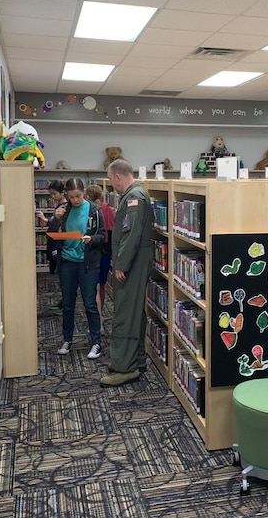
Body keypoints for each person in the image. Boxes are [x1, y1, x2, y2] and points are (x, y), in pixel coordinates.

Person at [100, 159, 152, 387]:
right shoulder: (133, 195)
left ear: (118, 177)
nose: (111, 184)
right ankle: (135, 359)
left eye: (111, 180)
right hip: (135, 262)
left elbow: (131, 235)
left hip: (132, 264)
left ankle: (125, 368)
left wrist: (121, 264)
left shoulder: (134, 198)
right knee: (133, 312)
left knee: (125, 314)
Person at [55, 178, 106, 360]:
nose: (75, 200)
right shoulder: (64, 209)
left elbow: (102, 235)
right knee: (68, 304)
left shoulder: (94, 210)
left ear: (84, 192)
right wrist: (56, 219)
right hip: (67, 262)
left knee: (90, 303)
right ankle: (67, 339)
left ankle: (96, 342)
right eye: (71, 197)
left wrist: (91, 239)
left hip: (87, 263)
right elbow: (54, 233)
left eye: (78, 196)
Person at [85, 184, 115, 319]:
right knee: (101, 284)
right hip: (106, 250)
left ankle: (94, 316)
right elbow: (113, 228)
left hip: (93, 250)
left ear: (87, 196)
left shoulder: (90, 210)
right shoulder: (107, 208)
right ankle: (100, 313)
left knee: (92, 285)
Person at [36, 180, 67, 314]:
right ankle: (62, 303)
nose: (52, 197)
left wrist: (45, 219)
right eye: (51, 194)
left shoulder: (64, 207)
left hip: (58, 243)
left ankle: (65, 305)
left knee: (64, 277)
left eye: (54, 194)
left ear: (62, 193)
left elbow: (59, 226)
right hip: (54, 242)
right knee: (60, 276)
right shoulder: (59, 206)